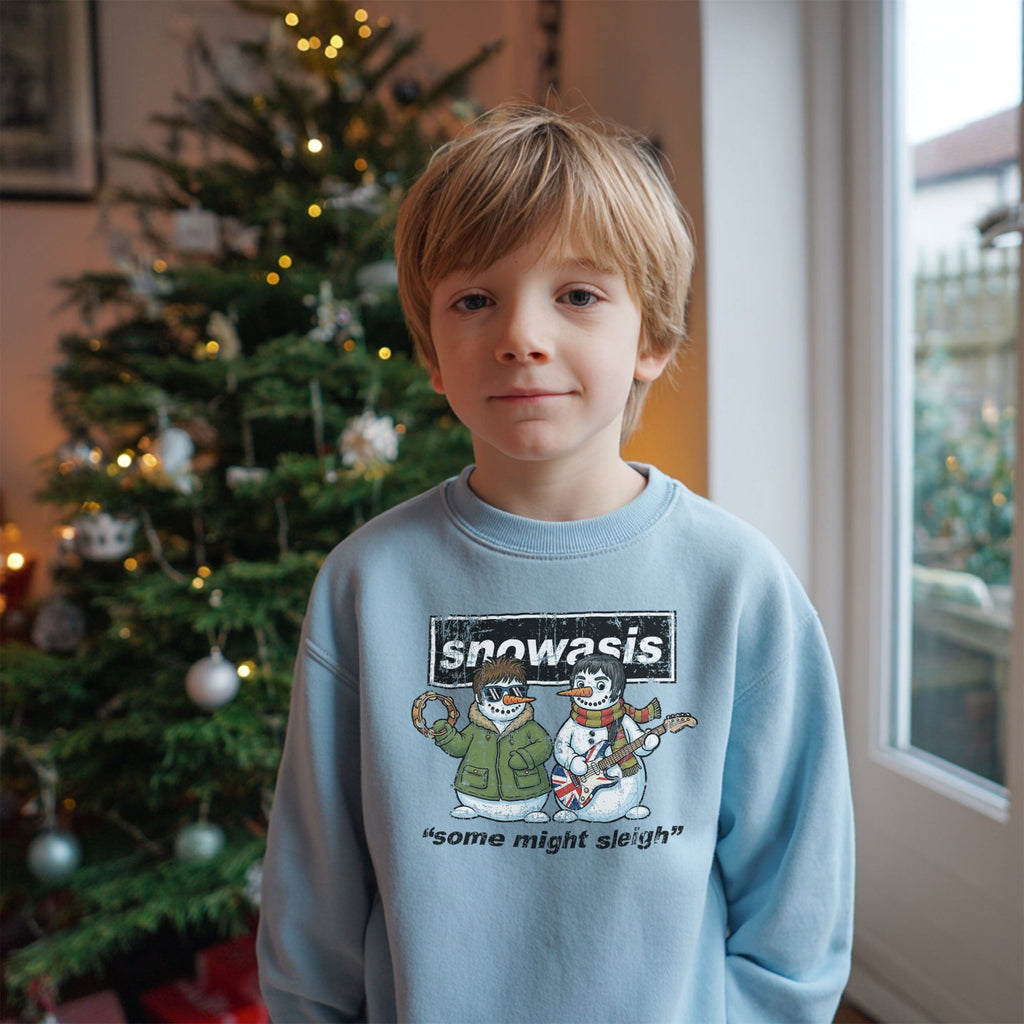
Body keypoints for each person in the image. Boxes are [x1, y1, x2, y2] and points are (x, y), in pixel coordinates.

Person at [257, 102, 854, 1023]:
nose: (520, 335)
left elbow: (797, 903)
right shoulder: (365, 584)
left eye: (577, 296)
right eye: (474, 299)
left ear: (652, 337)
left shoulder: (740, 584)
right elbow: (315, 889)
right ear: (432, 354)